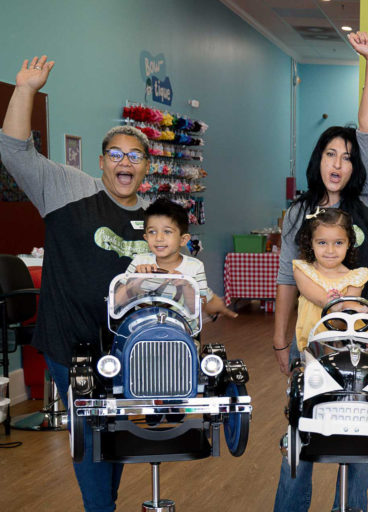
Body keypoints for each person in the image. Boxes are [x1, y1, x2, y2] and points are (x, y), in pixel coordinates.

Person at [0, 55, 152, 511]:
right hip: (71, 341)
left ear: (145, 165)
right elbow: (13, 151)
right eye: (116, 154)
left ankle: (104, 503)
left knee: (117, 432)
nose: (125, 163)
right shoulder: (67, 189)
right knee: (90, 431)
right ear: (103, 161)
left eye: (135, 155)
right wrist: (26, 88)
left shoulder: (154, 219)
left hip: (129, 349)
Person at [272, 31, 368, 512]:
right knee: (302, 439)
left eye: (347, 155)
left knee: (358, 439)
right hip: (308, 346)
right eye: (330, 154)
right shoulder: (297, 214)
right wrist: (279, 342)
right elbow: (284, 282)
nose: (338, 163)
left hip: (364, 341)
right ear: (317, 160)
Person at [127, 197, 238, 322]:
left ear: (183, 240)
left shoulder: (195, 267)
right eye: (152, 232)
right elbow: (120, 301)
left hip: (182, 332)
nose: (158, 238)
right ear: (146, 237)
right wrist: (135, 279)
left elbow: (197, 307)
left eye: (167, 232)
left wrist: (185, 285)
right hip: (143, 331)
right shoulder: (139, 262)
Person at [291, 208, 368, 351]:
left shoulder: (356, 277)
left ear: (349, 243)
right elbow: (323, 299)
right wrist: (341, 306)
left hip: (347, 344)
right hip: (313, 346)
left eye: (338, 243)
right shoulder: (302, 271)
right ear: (311, 243)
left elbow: (345, 316)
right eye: (322, 243)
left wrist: (364, 309)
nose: (330, 250)